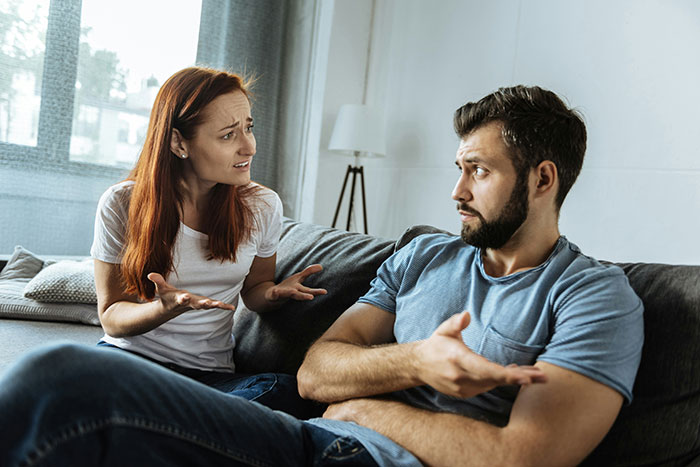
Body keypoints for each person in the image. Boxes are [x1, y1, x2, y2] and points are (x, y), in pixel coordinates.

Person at [0, 85, 643, 466]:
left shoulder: (594, 296)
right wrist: (418, 361)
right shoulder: (426, 257)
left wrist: (367, 408)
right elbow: (315, 372)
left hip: (350, 454)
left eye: (478, 170)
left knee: (60, 379)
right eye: (458, 167)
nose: (456, 190)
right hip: (304, 436)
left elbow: (524, 456)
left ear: (542, 178)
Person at [91, 66, 326, 413]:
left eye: (249, 127)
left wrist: (273, 293)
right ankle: (186, 426)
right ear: (177, 142)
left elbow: (255, 291)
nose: (249, 146)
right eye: (228, 135)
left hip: (209, 378)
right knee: (61, 372)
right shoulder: (122, 203)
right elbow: (112, 315)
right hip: (129, 363)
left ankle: (166, 422)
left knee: (282, 389)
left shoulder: (261, 205)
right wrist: (163, 309)